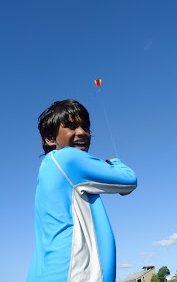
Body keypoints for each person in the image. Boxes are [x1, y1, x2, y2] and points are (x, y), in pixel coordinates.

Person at [27, 100, 137, 282]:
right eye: (71, 127)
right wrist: (114, 162)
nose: (81, 132)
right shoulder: (68, 157)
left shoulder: (47, 168)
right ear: (50, 138)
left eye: (85, 127)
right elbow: (128, 180)